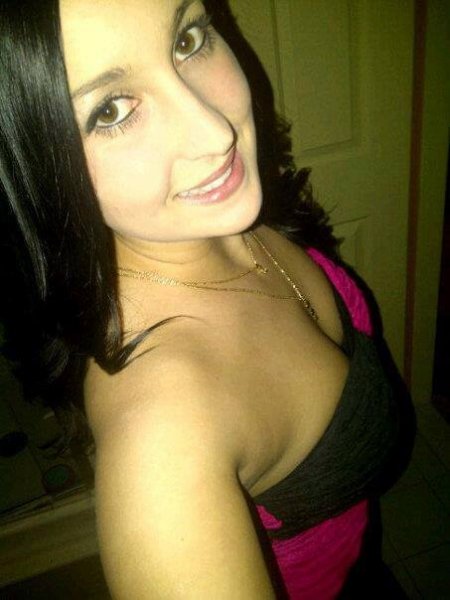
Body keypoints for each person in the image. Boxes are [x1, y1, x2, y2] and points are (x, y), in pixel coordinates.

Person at [0, 0, 415, 598]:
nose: (216, 132)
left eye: (188, 40)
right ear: (34, 168)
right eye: (110, 110)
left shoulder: (211, 215)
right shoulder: (162, 435)